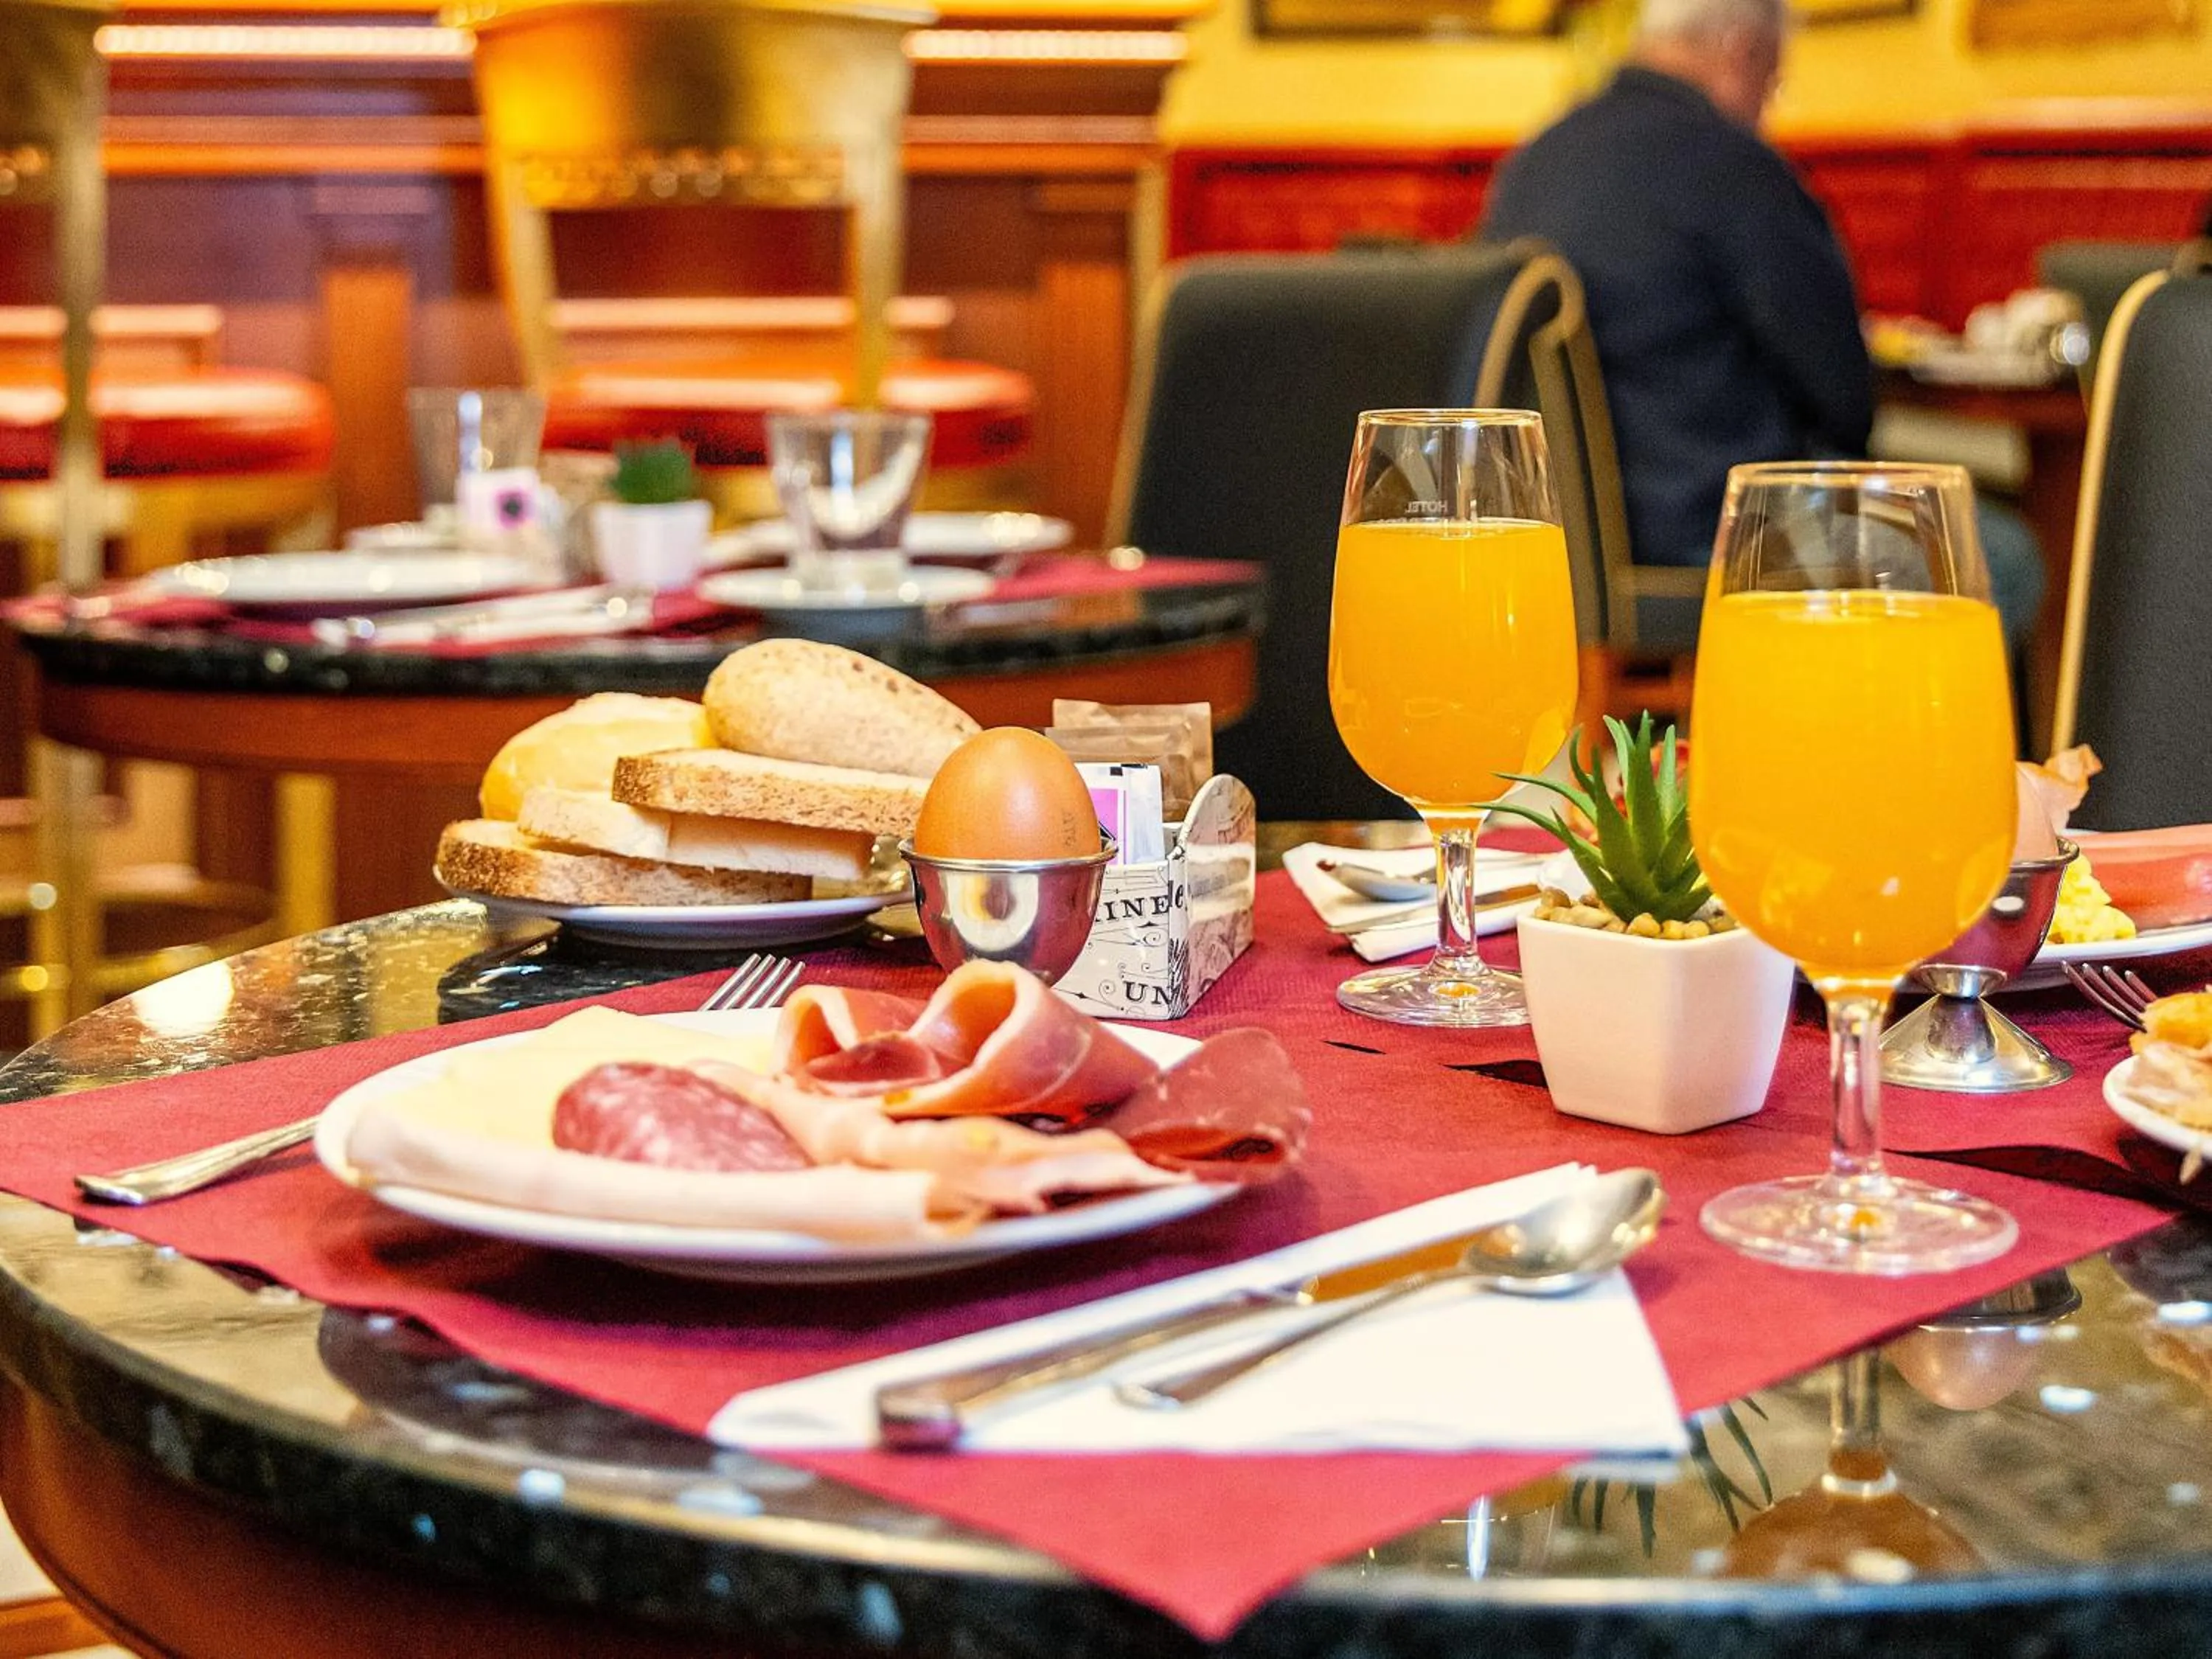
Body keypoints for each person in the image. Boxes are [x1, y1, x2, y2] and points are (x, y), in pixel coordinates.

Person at [1481, 0, 2044, 651]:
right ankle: (1856, 718)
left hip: (1562, 545)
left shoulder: (1533, 161)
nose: (1768, 105)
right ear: (1742, 51)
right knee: (1999, 559)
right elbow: (1842, 396)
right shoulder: (1730, 165)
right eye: (1774, 82)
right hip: (1721, 527)